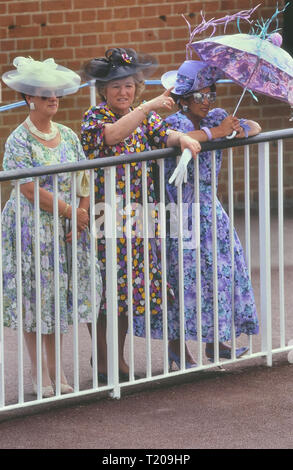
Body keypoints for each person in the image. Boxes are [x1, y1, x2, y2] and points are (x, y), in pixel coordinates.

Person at [80, 47, 201, 382]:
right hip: (105, 214)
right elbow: (112, 135)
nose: (124, 91)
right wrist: (148, 105)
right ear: (104, 90)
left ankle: (113, 359)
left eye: (129, 85)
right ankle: (103, 358)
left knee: (123, 291)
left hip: (137, 214)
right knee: (103, 290)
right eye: (117, 86)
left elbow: (165, 133)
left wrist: (184, 138)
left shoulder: (143, 116)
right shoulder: (95, 118)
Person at [1, 57, 102, 397]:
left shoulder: (69, 135)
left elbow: (85, 178)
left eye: (55, 94)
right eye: (45, 95)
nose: (52, 100)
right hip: (31, 228)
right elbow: (28, 188)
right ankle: (38, 373)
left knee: (57, 299)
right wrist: (70, 211)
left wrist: (82, 214)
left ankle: (57, 370)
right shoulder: (18, 139)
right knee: (35, 299)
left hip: (62, 225)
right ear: (30, 99)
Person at [161, 60, 260, 367]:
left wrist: (234, 128)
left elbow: (255, 128)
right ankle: (178, 351)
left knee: (219, 271)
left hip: (209, 208)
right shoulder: (176, 123)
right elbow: (177, 140)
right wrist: (215, 132)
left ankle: (216, 343)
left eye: (211, 94)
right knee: (181, 278)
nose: (207, 102)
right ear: (184, 99)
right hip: (179, 208)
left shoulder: (217, 116)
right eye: (199, 96)